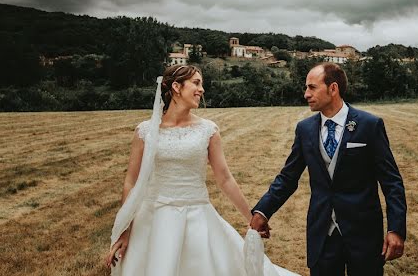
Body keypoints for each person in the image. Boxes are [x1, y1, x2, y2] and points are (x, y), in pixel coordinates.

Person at [105, 64, 298, 276]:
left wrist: (251, 219)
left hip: (197, 216)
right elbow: (130, 182)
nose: (202, 89)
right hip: (152, 220)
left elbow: (225, 179)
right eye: (196, 83)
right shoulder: (145, 131)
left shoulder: (208, 130)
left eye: (201, 84)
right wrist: (124, 231)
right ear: (177, 87)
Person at [250, 63, 407, 276]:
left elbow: (391, 182)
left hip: (363, 233)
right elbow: (288, 177)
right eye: (306, 88)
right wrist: (262, 211)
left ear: (333, 89)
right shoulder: (305, 129)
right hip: (322, 233)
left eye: (312, 87)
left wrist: (396, 229)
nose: (306, 94)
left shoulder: (369, 125)